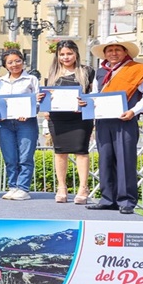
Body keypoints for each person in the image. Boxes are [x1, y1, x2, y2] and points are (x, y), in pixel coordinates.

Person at [87, 38, 143, 215]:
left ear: (125, 52)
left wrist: (133, 111)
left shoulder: (138, 70)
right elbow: (95, 95)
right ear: (105, 54)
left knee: (125, 160)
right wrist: (86, 102)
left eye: (118, 49)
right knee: (105, 159)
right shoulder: (101, 72)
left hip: (125, 120)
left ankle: (126, 201)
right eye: (109, 50)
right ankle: (107, 199)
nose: (113, 53)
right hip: (103, 121)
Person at [44, 40, 95, 204]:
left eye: (69, 53)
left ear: (76, 54)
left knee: (81, 151)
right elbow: (47, 98)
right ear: (58, 56)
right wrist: (44, 102)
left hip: (79, 118)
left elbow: (95, 95)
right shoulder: (52, 73)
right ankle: (61, 187)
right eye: (62, 54)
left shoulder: (87, 72)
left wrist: (85, 101)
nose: (66, 57)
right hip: (57, 118)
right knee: (60, 152)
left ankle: (83, 188)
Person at [0, 49, 40, 201]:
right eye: (10, 62)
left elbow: (38, 100)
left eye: (18, 61)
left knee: (25, 156)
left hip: (26, 122)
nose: (15, 65)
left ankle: (23, 188)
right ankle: (13, 186)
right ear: (5, 65)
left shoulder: (31, 79)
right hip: (5, 123)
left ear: (23, 61)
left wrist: (28, 111)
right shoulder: (0, 82)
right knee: (10, 157)